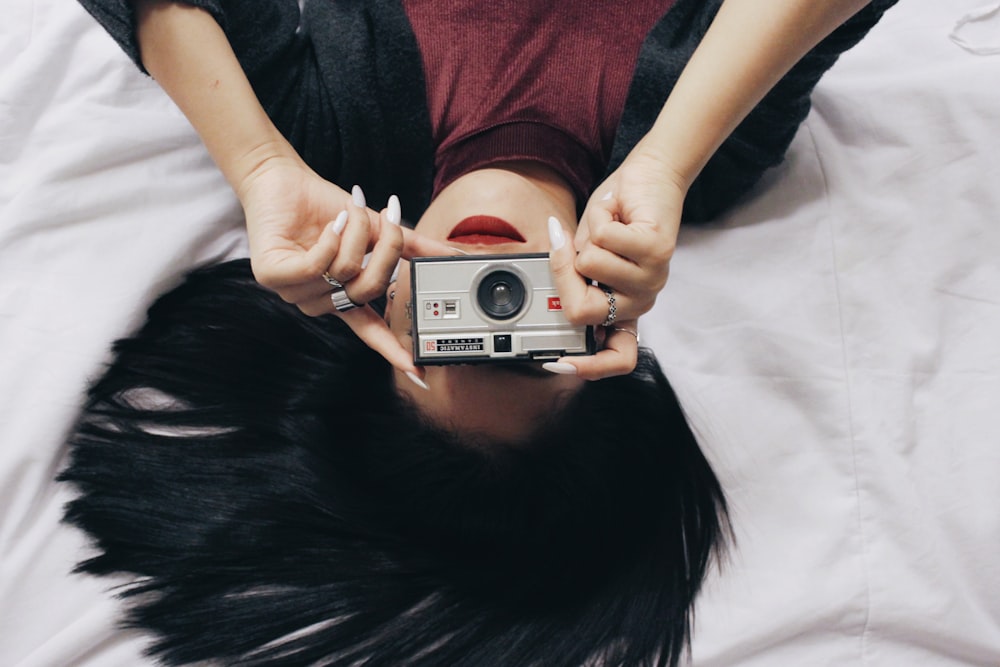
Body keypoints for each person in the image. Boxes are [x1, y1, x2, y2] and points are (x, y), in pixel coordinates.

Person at [60, 0, 896, 665]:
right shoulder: (699, 170)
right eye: (527, 348)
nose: (490, 288)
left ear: (381, 319)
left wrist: (258, 164)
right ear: (602, 349)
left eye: (445, 332)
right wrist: (670, 157)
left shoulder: (330, 146)